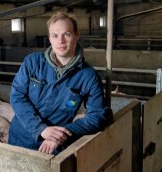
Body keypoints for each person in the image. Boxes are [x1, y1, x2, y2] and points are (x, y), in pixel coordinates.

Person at [8, 11, 113, 155]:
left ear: (77, 35)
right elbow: (17, 97)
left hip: (53, 148)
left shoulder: (88, 76)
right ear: (49, 38)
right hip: (18, 138)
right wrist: (41, 129)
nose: (61, 41)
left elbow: (97, 116)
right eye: (55, 36)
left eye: (67, 34)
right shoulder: (32, 62)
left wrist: (62, 135)